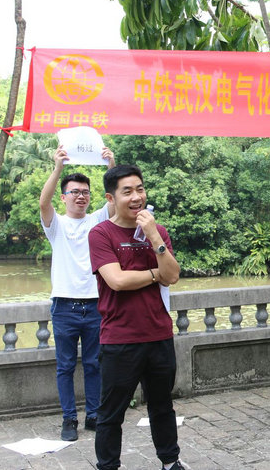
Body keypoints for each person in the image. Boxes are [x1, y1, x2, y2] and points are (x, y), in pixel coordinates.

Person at [88, 165, 184, 470]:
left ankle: (170, 462)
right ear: (111, 198)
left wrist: (153, 235)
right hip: (120, 338)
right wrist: (155, 274)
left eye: (140, 189)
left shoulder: (159, 232)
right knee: (111, 413)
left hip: (159, 333)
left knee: (162, 406)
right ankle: (108, 466)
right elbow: (117, 280)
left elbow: (173, 275)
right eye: (127, 191)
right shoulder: (101, 234)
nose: (136, 196)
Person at [40, 144, 115, 442]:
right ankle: (69, 418)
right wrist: (58, 167)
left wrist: (111, 165)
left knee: (95, 364)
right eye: (74, 192)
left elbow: (117, 202)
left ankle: (93, 415)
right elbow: (43, 202)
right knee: (66, 367)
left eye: (85, 192)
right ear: (64, 197)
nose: (80, 196)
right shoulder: (56, 225)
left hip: (96, 305)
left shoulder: (96, 220)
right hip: (64, 307)